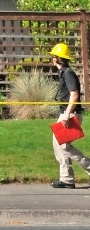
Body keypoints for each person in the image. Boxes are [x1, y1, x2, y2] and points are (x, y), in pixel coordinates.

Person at [49, 42, 90, 189]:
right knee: (59, 145)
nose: (52, 59)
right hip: (67, 113)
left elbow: (74, 94)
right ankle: (66, 179)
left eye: (53, 56)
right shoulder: (63, 73)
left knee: (64, 146)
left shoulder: (68, 73)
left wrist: (66, 115)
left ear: (58, 58)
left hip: (70, 114)